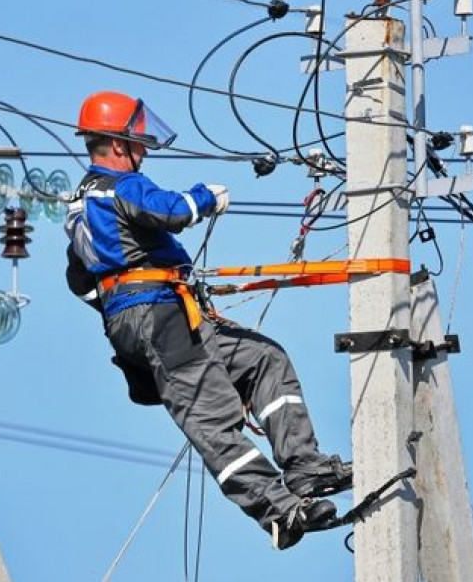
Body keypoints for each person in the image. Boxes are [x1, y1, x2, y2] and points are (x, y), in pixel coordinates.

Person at [63, 91, 352, 549]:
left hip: (161, 315)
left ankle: (306, 469)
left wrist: (126, 309)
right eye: (138, 143)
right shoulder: (121, 186)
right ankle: (278, 511)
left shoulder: (81, 204)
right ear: (118, 144)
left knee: (263, 359)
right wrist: (206, 197)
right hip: (160, 317)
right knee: (212, 417)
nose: (143, 152)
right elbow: (171, 211)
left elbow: (78, 281)